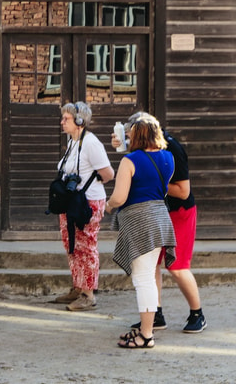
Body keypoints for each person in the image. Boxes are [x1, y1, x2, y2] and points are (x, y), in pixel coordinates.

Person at [112, 115, 207, 335]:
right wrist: (122, 147)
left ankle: (197, 313)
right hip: (158, 211)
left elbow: (183, 191)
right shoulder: (146, 147)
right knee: (151, 264)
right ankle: (156, 315)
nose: (129, 139)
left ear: (142, 132)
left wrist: (149, 181)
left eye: (130, 135)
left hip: (180, 212)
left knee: (177, 267)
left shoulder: (171, 148)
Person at [105, 112, 177, 349]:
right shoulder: (168, 158)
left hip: (139, 220)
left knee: (143, 278)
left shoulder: (130, 161)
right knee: (147, 276)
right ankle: (146, 329)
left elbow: (120, 196)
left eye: (129, 134)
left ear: (136, 136)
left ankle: (146, 334)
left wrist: (108, 205)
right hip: (160, 218)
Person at [50, 102, 114, 312]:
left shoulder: (91, 143)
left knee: (86, 246)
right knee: (72, 245)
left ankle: (88, 294)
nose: (62, 122)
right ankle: (78, 287)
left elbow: (108, 174)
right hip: (73, 201)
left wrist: (90, 183)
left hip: (89, 203)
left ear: (79, 121)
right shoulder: (73, 142)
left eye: (66, 118)